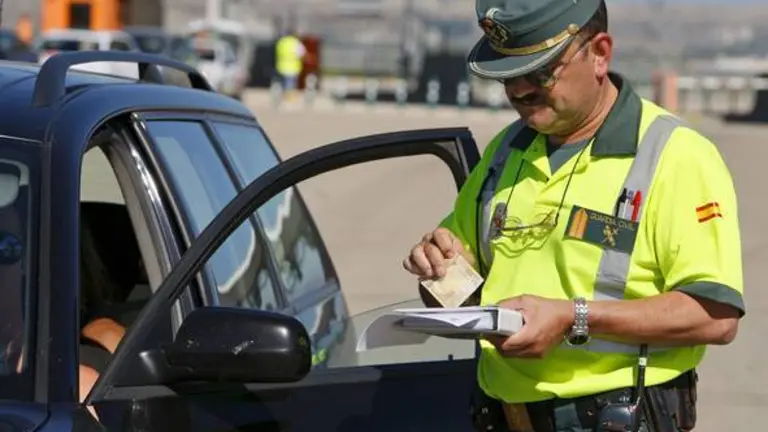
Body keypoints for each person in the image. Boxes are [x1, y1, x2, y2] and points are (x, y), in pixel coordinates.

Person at [403, 0, 745, 431]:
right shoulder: (506, 151)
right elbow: (457, 290)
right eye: (507, 75)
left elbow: (715, 315)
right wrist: (438, 270)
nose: (519, 91)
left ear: (600, 53)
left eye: (540, 72)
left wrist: (574, 317)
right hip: (499, 415)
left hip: (612, 418)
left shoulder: (675, 155)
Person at [275, 29, 306, 101]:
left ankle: (281, 95)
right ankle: (288, 97)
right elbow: (302, 54)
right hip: (293, 67)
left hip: (281, 66)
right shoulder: (296, 43)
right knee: (290, 83)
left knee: (283, 82)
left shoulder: (281, 42)